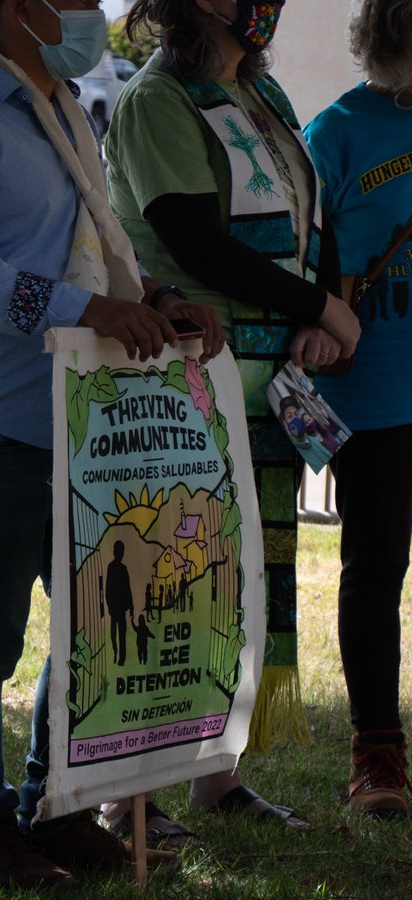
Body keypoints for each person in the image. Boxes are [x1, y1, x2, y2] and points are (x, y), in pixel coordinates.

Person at [0, 0, 224, 888]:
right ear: (13, 8)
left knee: (93, 628)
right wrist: (91, 311)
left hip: (89, 419)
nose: (92, 12)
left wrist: (154, 298)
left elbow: (90, 240)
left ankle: (59, 806)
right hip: (0, 420)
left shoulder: (71, 102)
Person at [102, 0, 361, 841]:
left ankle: (218, 776)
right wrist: (319, 304)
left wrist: (315, 319)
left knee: (243, 584)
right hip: (190, 381)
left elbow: (307, 227)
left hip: (269, 378)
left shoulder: (262, 96)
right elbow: (200, 243)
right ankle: (126, 797)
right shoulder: (156, 101)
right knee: (174, 580)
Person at [305, 0, 412, 819]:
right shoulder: (335, 133)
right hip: (371, 396)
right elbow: (311, 269)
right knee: (376, 569)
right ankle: (378, 757)